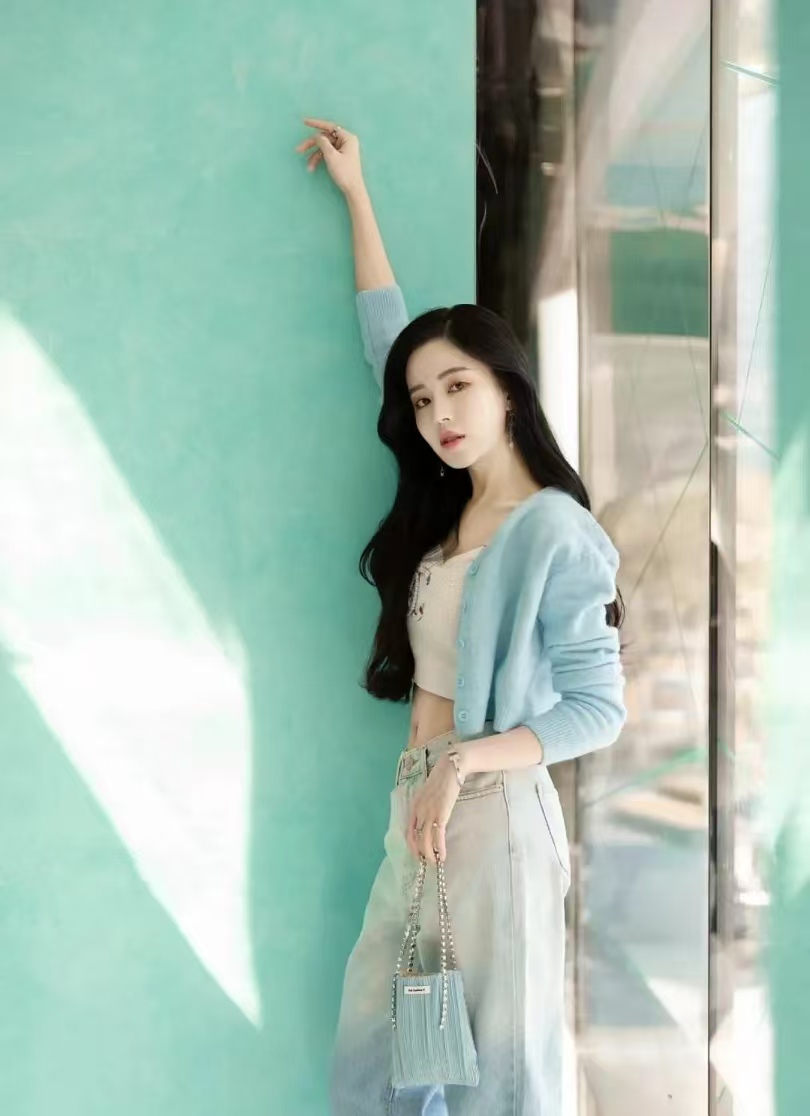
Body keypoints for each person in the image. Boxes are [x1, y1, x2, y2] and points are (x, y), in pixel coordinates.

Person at [295, 118, 627, 1116]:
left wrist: (463, 764)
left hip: (494, 820)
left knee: (502, 1080)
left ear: (507, 390)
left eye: (459, 386)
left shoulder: (554, 531)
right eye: (423, 399)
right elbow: (387, 345)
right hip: (422, 810)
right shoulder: (448, 510)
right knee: (380, 1066)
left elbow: (598, 709)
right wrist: (357, 196)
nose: (439, 412)